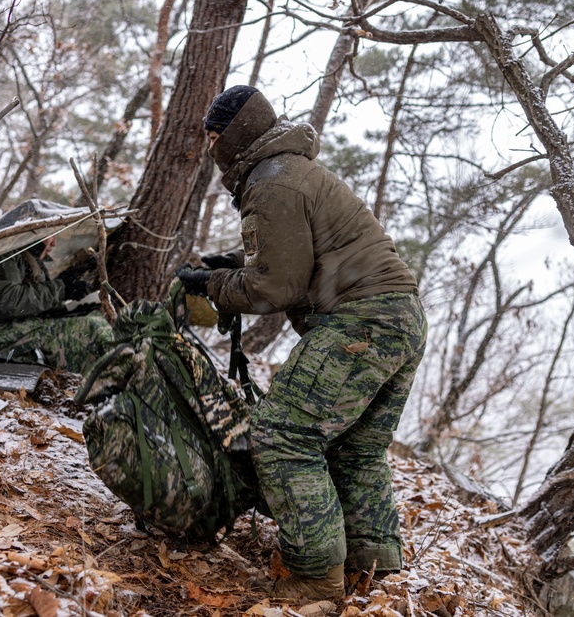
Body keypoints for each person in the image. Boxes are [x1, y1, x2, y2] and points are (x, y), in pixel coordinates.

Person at [176, 86, 427, 601]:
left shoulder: (272, 181)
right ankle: (372, 568)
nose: (208, 148)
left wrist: (213, 287)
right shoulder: (289, 171)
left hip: (361, 321)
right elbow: (293, 258)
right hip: (401, 315)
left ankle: (314, 580)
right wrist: (233, 266)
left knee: (283, 436)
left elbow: (276, 287)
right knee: (358, 448)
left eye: (212, 136)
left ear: (232, 134)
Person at [0, 235, 116, 375]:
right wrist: (60, 289)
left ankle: (107, 379)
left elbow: (33, 305)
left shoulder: (31, 261)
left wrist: (66, 310)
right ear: (32, 234)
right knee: (88, 328)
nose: (54, 243)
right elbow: (7, 303)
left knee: (92, 320)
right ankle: (91, 388)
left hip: (3, 326)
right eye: (50, 235)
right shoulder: (1, 253)